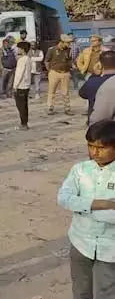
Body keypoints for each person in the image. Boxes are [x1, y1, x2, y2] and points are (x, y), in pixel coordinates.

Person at [57, 120, 115, 299]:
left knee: (106, 292)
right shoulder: (80, 170)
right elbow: (64, 198)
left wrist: (82, 205)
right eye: (91, 146)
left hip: (110, 247)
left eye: (102, 147)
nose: (95, 152)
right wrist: (102, 204)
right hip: (80, 241)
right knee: (81, 291)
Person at [45, 34, 75, 116]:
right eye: (67, 43)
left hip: (65, 73)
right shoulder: (52, 50)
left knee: (65, 92)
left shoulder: (68, 50)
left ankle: (67, 108)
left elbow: (69, 60)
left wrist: (72, 65)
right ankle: (50, 108)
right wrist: (50, 71)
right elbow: (47, 61)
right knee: (52, 91)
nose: (69, 44)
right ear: (61, 42)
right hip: (54, 72)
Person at [85, 51, 115, 125]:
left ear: (100, 65)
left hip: (106, 129)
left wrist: (94, 75)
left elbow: (83, 93)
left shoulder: (95, 81)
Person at [13, 41, 32, 130]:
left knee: (21, 106)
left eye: (19, 48)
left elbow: (19, 74)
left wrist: (15, 86)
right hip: (26, 85)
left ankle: (23, 124)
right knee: (24, 105)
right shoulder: (28, 59)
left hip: (21, 86)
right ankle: (25, 123)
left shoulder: (22, 60)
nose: (17, 50)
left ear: (22, 49)